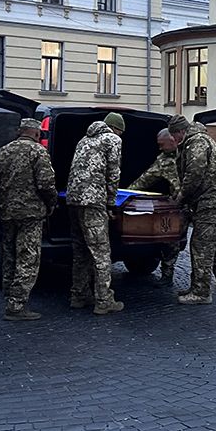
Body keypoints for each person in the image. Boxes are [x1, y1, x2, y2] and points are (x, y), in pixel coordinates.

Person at [0, 118, 58, 321]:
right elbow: (46, 184)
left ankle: (9, 295)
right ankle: (17, 305)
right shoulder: (38, 152)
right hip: (30, 213)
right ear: (37, 134)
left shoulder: (3, 151)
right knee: (28, 258)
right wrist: (52, 204)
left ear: (20, 132)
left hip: (7, 211)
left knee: (10, 254)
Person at [168, 114, 216, 305]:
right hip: (209, 199)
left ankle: (202, 292)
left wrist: (180, 198)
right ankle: (210, 279)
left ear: (180, 132)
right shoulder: (195, 140)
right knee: (208, 241)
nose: (175, 141)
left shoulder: (196, 142)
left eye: (174, 137)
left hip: (212, 199)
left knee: (201, 245)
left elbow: (194, 174)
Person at [67, 112, 126, 315]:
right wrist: (111, 203)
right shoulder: (113, 139)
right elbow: (114, 173)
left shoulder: (84, 140)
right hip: (93, 202)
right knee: (101, 252)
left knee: (80, 250)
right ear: (117, 129)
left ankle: (78, 295)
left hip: (73, 200)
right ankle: (104, 300)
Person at [126, 128, 193, 288]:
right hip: (180, 207)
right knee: (172, 241)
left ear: (172, 140)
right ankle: (167, 276)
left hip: (199, 203)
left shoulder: (190, 152)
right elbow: (144, 180)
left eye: (162, 144)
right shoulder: (163, 161)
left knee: (208, 243)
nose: (160, 148)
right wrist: (125, 195)